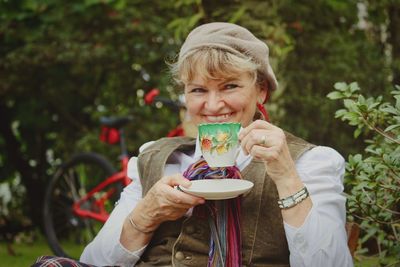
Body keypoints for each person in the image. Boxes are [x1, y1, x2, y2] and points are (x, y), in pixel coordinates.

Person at [76, 22, 353, 267]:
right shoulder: (155, 158)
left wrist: (286, 176)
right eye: (198, 90)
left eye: (230, 86)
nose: (212, 105)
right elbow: (93, 261)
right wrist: (146, 214)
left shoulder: (309, 163)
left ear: (261, 90)